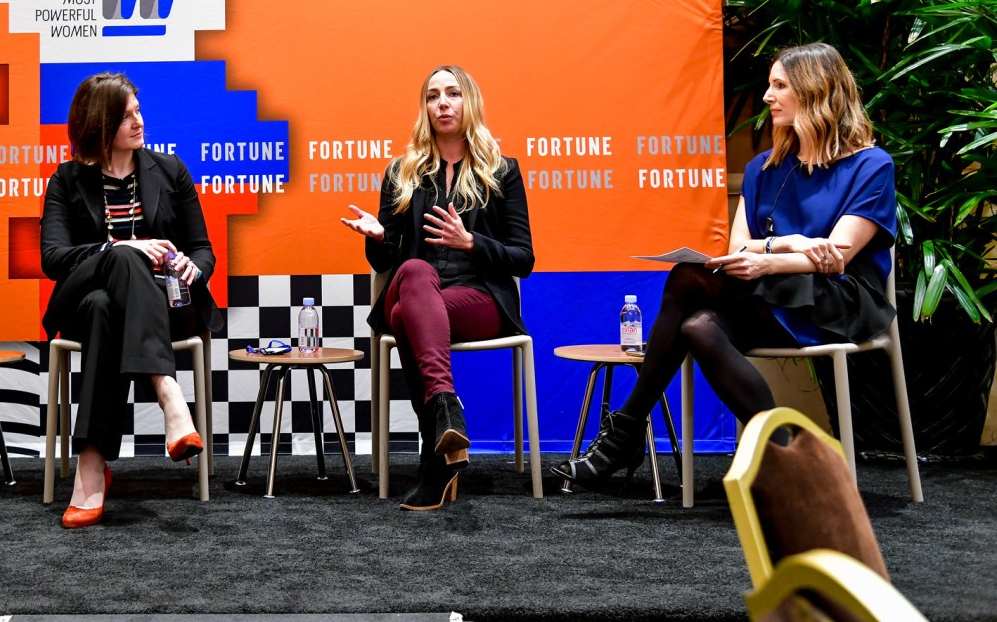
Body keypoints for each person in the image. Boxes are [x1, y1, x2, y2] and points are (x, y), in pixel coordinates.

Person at [553, 42, 897, 488]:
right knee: (697, 325)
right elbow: (740, 249)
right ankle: (787, 459)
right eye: (769, 86)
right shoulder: (762, 168)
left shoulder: (871, 165)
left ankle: (627, 430)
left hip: (837, 300)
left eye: (779, 86)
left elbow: (836, 256)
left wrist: (767, 256)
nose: (768, 97)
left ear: (815, 91)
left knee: (686, 279)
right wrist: (786, 246)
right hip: (767, 298)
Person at [341, 65, 535, 510]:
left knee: (405, 316)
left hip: (477, 299)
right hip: (414, 286)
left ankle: (437, 452)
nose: (442, 103)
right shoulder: (401, 172)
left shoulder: (502, 171)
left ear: (470, 103)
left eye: (452, 94)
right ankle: (445, 411)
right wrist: (377, 238)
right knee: (412, 271)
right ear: (424, 108)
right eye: (432, 96)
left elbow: (523, 259)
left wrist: (472, 242)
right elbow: (386, 262)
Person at [40, 72, 219, 528]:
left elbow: (203, 249)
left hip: (165, 307)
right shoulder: (66, 179)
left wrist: (191, 267)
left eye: (139, 111)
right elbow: (54, 258)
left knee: (106, 307)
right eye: (126, 116)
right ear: (99, 126)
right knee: (119, 262)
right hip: (80, 304)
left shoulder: (170, 170)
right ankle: (169, 393)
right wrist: (118, 249)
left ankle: (91, 468)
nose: (139, 121)